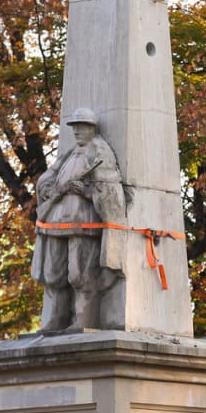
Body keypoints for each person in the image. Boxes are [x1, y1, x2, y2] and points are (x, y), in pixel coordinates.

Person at [31, 108, 126, 332]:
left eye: (81, 126)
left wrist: (85, 190)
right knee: (53, 272)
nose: (76, 131)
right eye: (74, 126)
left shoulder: (100, 153)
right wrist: (57, 189)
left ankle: (84, 319)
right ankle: (57, 318)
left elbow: (109, 192)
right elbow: (46, 183)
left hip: (84, 223)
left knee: (80, 274)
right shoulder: (68, 154)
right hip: (55, 223)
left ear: (92, 128)